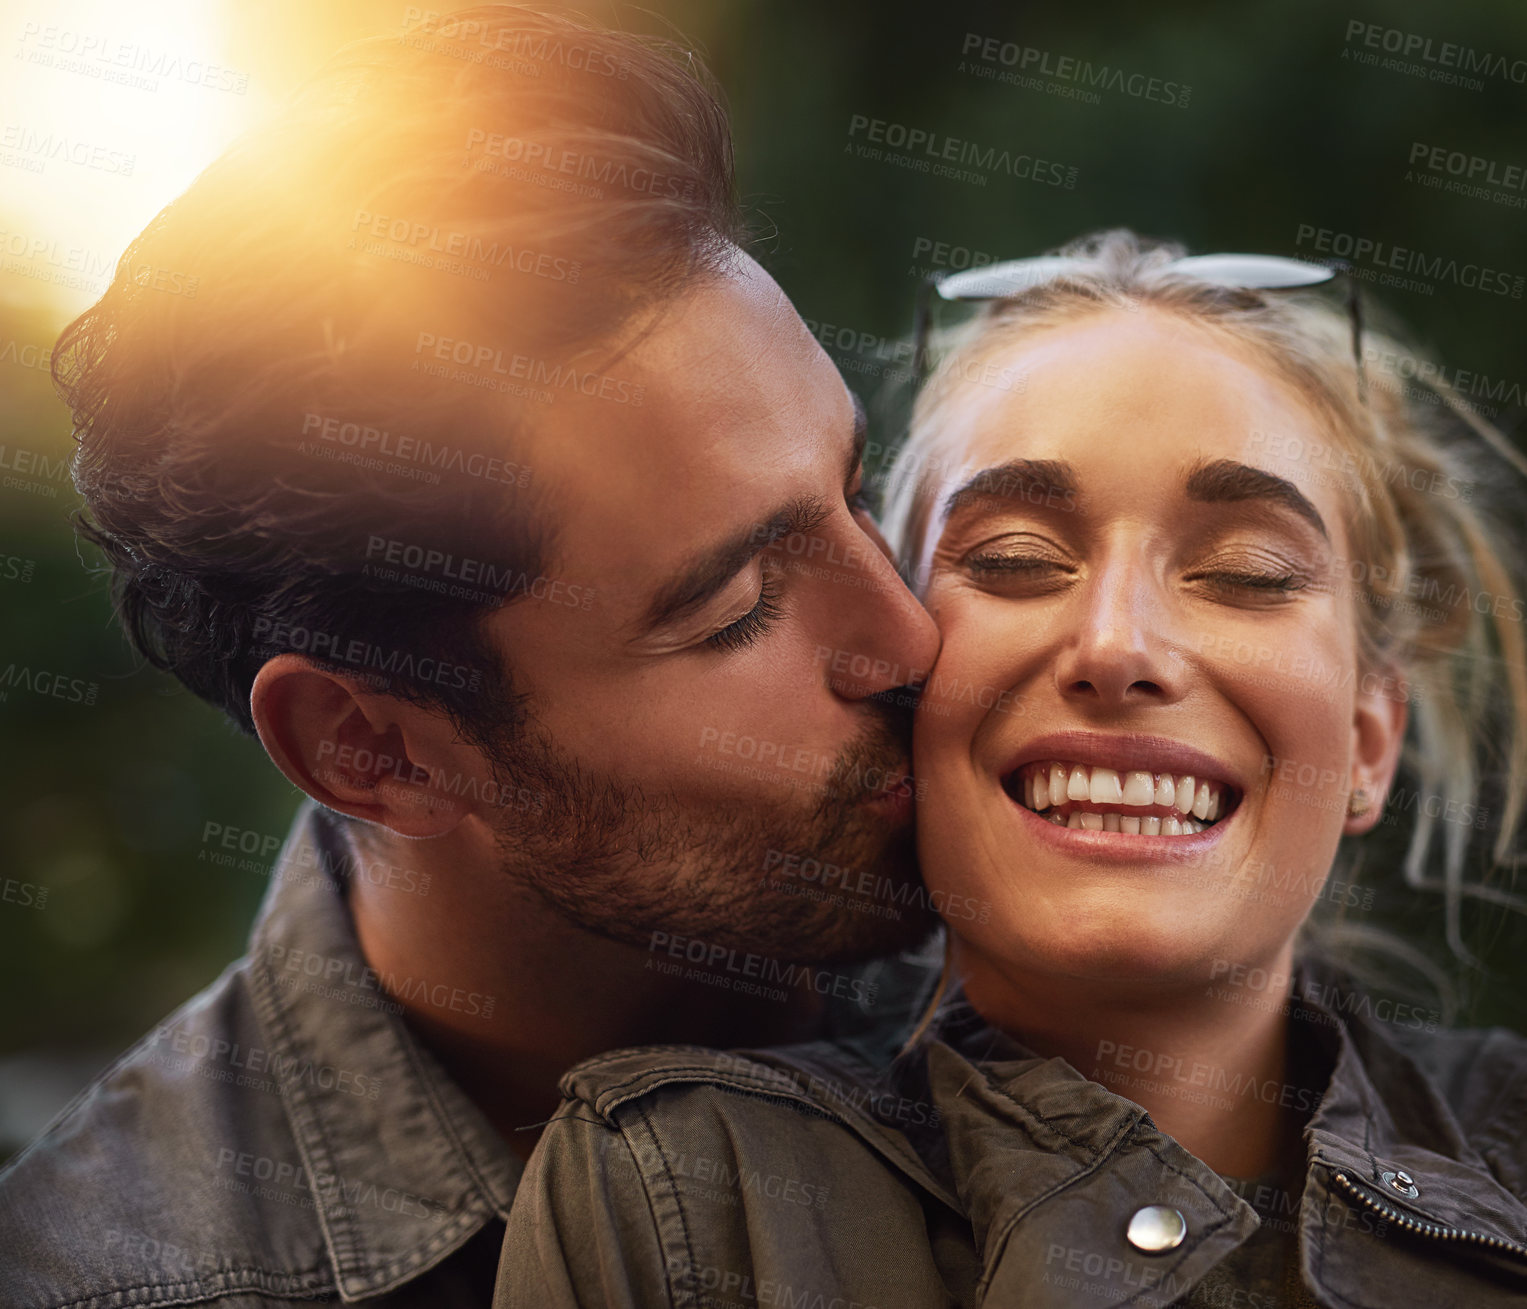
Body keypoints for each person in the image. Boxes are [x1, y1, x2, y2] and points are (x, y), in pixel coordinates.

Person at [0, 7, 943, 1306]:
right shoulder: (105, 1276)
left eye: (857, 486)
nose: (909, 635)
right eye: (735, 606)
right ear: (371, 747)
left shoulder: (1110, 975)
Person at [492, 229, 1527, 1308]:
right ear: (903, 678)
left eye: (1247, 572)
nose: (1119, 645)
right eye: (1014, 562)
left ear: (1368, 742)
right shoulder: (683, 1197)